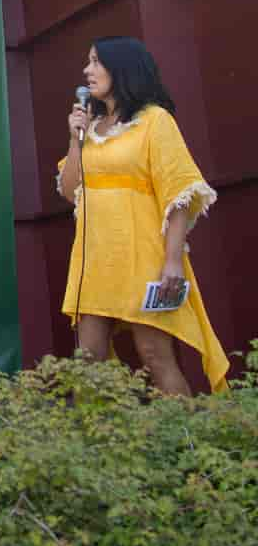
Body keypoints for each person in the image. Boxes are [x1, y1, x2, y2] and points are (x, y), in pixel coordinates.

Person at [58, 36, 227, 394]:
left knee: (154, 353)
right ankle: (105, 444)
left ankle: (186, 442)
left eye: (95, 61)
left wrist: (172, 262)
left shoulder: (154, 121)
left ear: (121, 67)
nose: (87, 70)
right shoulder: (91, 127)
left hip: (142, 254)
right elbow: (68, 190)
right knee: (89, 359)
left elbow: (180, 195)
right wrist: (76, 139)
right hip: (96, 258)